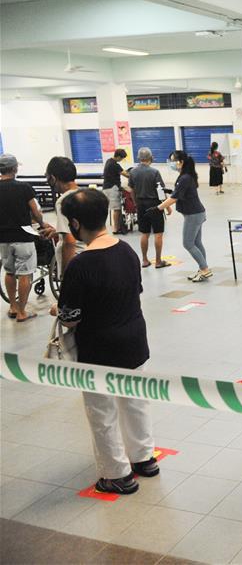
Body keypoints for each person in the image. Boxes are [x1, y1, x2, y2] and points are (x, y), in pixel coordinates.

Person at [56, 188, 158, 495]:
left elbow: (70, 317)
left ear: (74, 224)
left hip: (99, 349)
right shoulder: (126, 250)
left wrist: (58, 309)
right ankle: (144, 458)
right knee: (135, 402)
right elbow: (133, 291)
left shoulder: (80, 264)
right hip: (134, 340)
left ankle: (116, 474)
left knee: (102, 411)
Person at [0, 154, 49, 322]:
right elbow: (35, 212)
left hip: (3, 238)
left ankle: (13, 306)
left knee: (9, 271)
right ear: (14, 169)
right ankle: (22, 312)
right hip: (23, 237)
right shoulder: (24, 188)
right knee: (24, 274)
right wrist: (43, 225)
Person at [157, 151, 211, 282]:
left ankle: (205, 269)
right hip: (196, 213)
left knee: (188, 243)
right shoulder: (185, 176)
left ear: (180, 162)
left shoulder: (185, 177)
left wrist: (158, 208)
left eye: (172, 160)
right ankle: (202, 269)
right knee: (197, 243)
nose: (170, 163)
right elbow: (179, 193)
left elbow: (174, 198)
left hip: (193, 215)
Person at [128, 147, 172, 268]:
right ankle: (158, 261)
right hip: (154, 205)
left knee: (144, 233)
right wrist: (167, 206)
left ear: (139, 158)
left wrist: (135, 202)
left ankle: (145, 260)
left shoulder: (133, 172)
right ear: (150, 157)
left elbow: (131, 190)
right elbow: (160, 191)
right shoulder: (154, 172)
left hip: (141, 204)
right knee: (158, 233)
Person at [45, 156, 85, 277]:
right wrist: (58, 231)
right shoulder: (87, 195)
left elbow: (69, 241)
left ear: (52, 178)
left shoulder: (63, 201)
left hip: (76, 260)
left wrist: (66, 275)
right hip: (93, 255)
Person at [102, 149, 129, 234]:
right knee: (116, 209)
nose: (122, 160)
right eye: (122, 158)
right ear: (118, 157)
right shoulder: (114, 165)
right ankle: (116, 229)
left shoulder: (108, 161)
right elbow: (126, 174)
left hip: (106, 188)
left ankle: (118, 226)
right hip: (112, 189)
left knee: (114, 208)